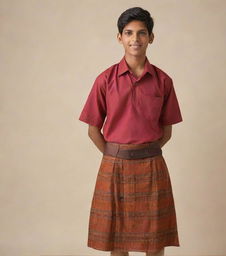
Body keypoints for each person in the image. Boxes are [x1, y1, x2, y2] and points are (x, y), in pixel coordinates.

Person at [78, 6, 183, 256]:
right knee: (118, 242)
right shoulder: (105, 80)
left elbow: (166, 131)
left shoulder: (163, 81)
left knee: (155, 242)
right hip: (114, 166)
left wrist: (145, 152)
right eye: (128, 33)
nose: (135, 39)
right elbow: (93, 129)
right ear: (120, 38)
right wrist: (114, 154)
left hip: (152, 166)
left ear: (151, 38)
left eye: (142, 33)